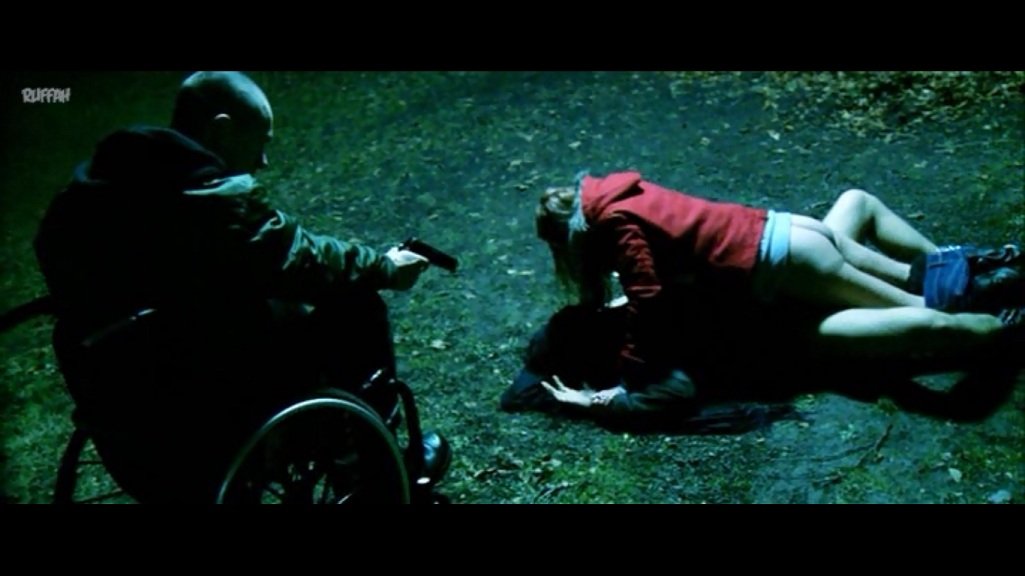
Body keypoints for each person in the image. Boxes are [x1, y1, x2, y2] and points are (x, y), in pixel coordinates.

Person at [34, 71, 450, 502]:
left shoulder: (85, 201)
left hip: (127, 418)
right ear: (222, 130)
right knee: (354, 305)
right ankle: (379, 476)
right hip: (208, 407)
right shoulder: (208, 203)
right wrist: (384, 267)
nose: (264, 161)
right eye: (260, 142)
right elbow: (302, 258)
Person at [534, 171, 1024, 395]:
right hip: (789, 230)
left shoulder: (614, 224)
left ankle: (1001, 326)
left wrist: (629, 369)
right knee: (861, 210)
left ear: (573, 235)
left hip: (788, 265)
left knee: (916, 309)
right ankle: (969, 268)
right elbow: (667, 264)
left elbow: (648, 298)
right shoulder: (623, 193)